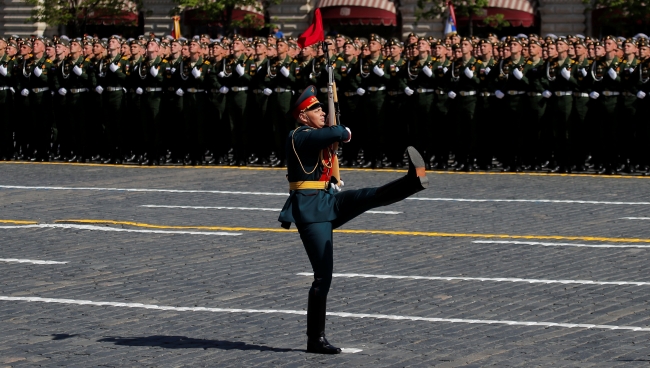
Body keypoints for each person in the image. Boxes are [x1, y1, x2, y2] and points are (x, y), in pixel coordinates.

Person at [278, 86, 428, 354]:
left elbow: (331, 136)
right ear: (302, 117)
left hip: (326, 201)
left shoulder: (312, 136)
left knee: (367, 196)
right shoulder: (299, 136)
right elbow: (338, 133)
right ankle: (315, 339)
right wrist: (342, 130)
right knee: (323, 278)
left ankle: (411, 181)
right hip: (311, 212)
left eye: (322, 108)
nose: (322, 112)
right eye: (315, 109)